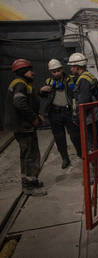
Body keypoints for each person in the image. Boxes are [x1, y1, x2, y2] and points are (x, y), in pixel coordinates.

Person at [4, 59, 47, 196]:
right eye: (30, 70)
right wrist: (34, 118)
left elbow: (27, 100)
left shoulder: (22, 84)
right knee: (30, 155)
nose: (33, 73)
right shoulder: (20, 84)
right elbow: (20, 103)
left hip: (23, 125)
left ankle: (32, 180)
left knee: (28, 154)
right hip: (24, 126)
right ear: (23, 72)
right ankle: (29, 186)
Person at [40, 59, 81, 169]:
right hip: (54, 113)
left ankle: (81, 154)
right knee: (59, 137)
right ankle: (65, 158)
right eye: (54, 71)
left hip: (68, 112)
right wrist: (42, 91)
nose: (56, 73)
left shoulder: (70, 79)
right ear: (51, 72)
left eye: (58, 70)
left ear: (62, 69)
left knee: (75, 135)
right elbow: (43, 96)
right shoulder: (48, 81)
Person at [68, 52, 98, 183]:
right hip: (94, 116)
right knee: (94, 143)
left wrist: (76, 118)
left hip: (89, 117)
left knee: (92, 145)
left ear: (78, 66)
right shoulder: (88, 76)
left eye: (72, 66)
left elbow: (82, 101)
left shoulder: (83, 79)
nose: (71, 69)